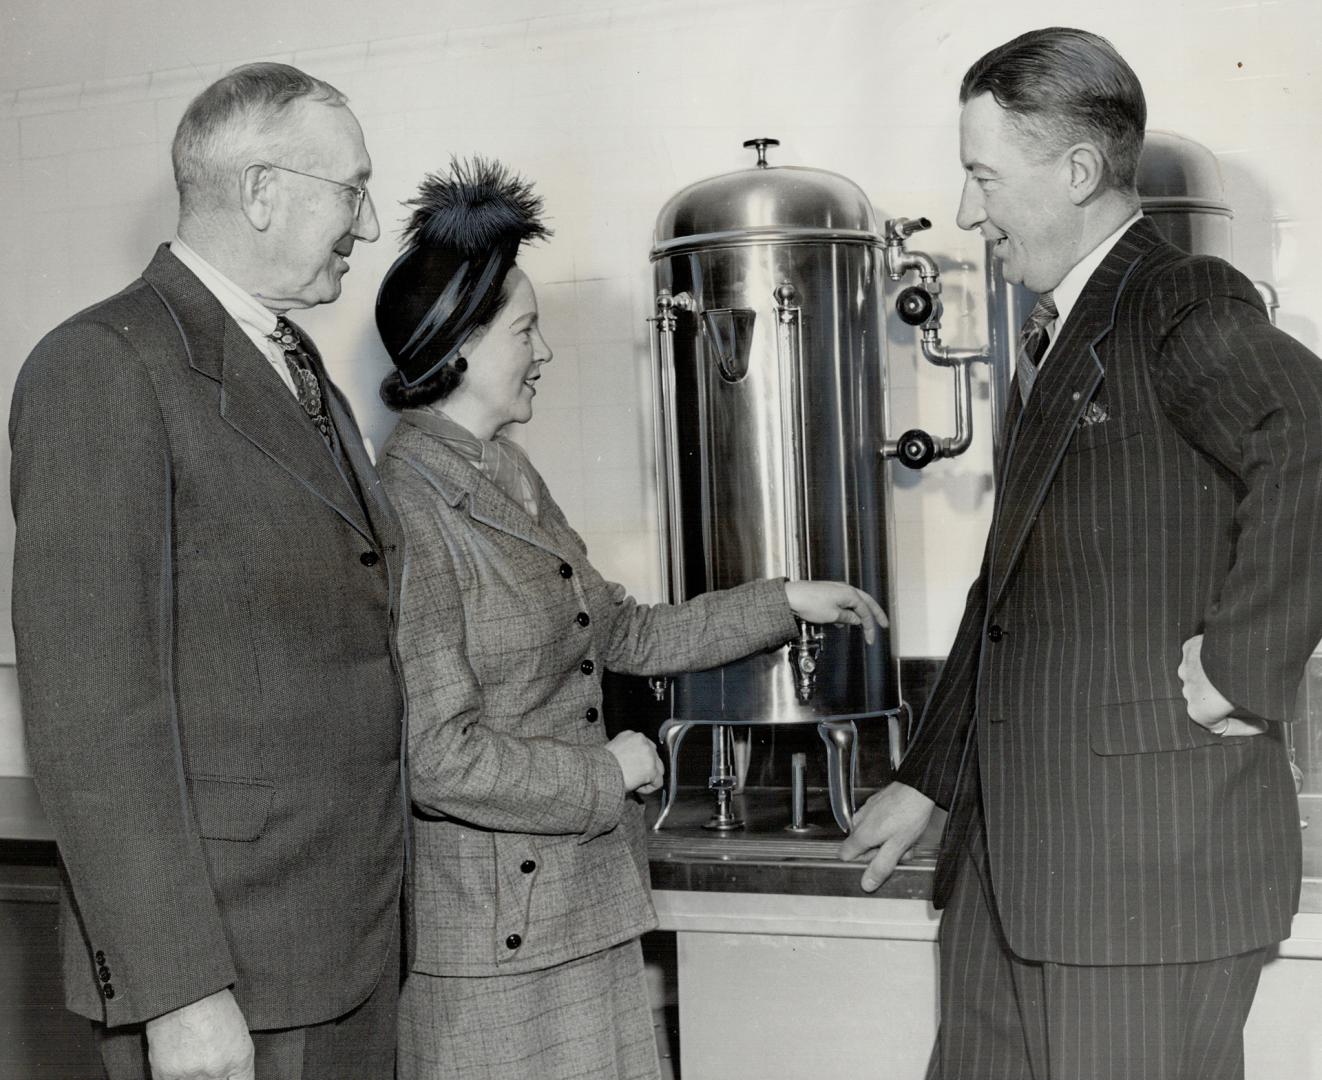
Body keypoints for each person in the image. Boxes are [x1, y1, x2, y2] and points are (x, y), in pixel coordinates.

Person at [841, 26, 1322, 1080]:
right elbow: (1008, 595)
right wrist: (929, 777)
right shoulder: (1058, 335)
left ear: (1072, 171)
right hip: (1020, 879)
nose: (968, 214)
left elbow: (1312, 434)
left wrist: (1241, 666)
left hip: (1141, 888)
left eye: (981, 178)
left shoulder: (1170, 298)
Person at [374, 157, 887, 1080]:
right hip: (495, 946)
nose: (544, 351)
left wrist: (784, 602)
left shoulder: (508, 474)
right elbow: (436, 758)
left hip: (586, 906)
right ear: (460, 347)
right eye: (526, 330)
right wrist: (605, 772)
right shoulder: (407, 508)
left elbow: (623, 633)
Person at [10, 63, 405, 1080]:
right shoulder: (102, 364)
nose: (365, 227)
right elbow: (93, 716)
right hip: (226, 972)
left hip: (345, 944)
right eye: (352, 189)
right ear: (264, 191)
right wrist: (177, 992)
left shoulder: (296, 365)